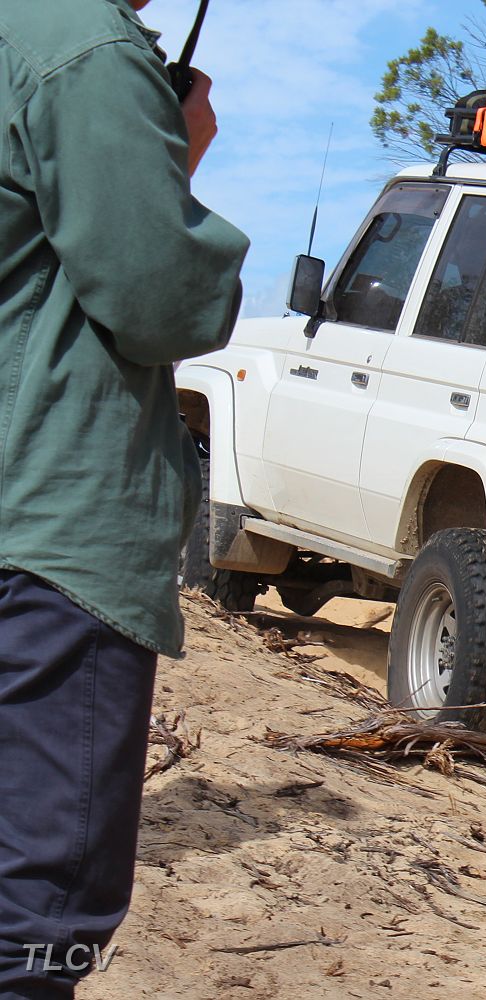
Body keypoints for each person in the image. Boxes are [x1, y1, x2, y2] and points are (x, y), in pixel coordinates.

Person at [0, 0, 249, 996]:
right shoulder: (86, 48)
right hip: (51, 535)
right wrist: (176, 157)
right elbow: (164, 299)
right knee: (36, 923)